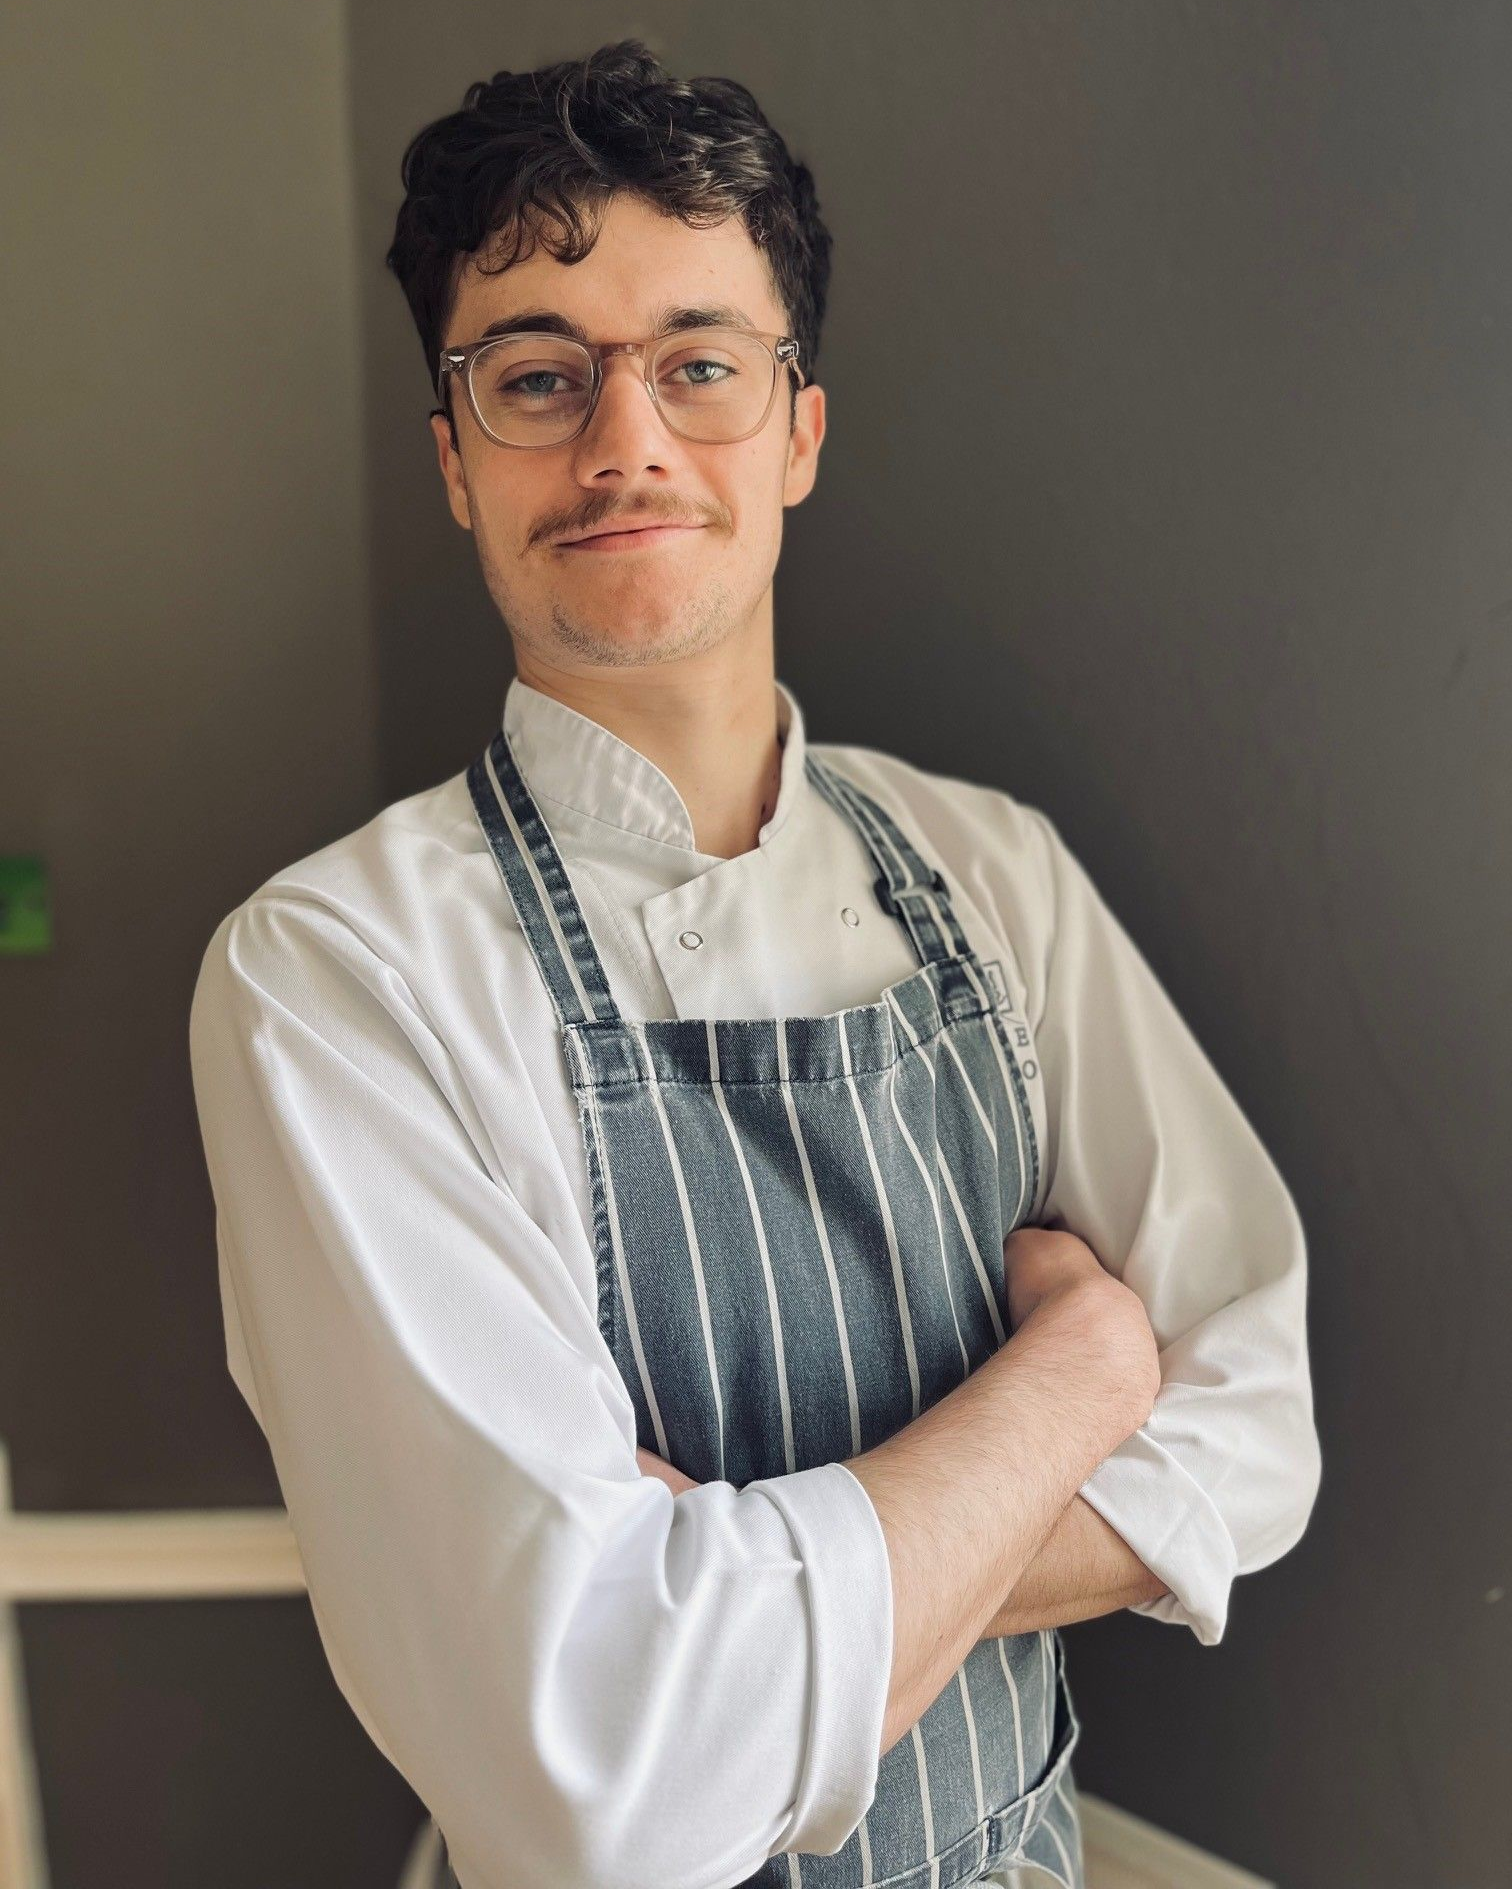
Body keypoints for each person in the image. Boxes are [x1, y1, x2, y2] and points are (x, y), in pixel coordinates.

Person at [188, 38, 1321, 1889]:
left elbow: (1259, 1427)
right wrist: (1079, 1372)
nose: (626, 441)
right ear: (455, 459)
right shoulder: (330, 977)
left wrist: (715, 1597)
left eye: (699, 365)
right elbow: (599, 1791)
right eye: (537, 378)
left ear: (795, 426)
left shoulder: (993, 875)